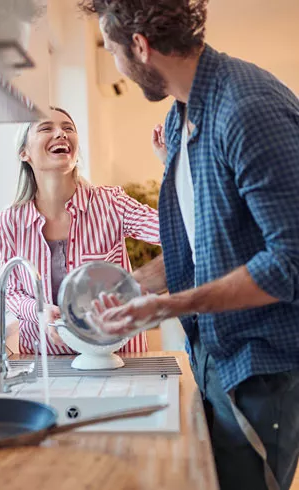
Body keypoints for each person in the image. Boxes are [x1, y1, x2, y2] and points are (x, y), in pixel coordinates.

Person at [79, 1, 299, 489]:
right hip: (215, 352)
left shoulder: (247, 107)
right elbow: (201, 245)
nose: (115, 63)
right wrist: (131, 286)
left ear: (140, 46)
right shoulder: (183, 116)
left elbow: (290, 263)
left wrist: (169, 305)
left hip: (261, 366)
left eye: (112, 50)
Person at [0, 107, 160, 356]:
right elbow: (12, 291)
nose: (61, 133)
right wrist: (39, 312)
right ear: (24, 153)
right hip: (47, 363)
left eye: (68, 128)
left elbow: (174, 232)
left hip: (119, 358)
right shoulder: (10, 221)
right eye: (46, 128)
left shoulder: (111, 203)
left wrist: (172, 163)